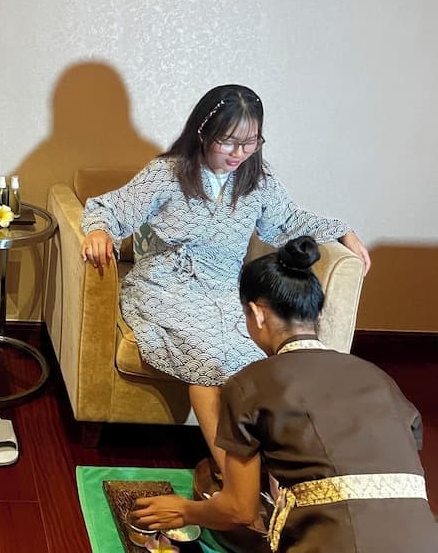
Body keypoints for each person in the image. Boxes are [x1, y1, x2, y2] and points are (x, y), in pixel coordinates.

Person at [80, 84, 371, 473]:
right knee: (208, 359)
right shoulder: (166, 174)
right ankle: (236, 482)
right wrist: (100, 231)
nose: (239, 153)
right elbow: (111, 209)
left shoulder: (258, 179)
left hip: (225, 290)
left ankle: (273, 474)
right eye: (228, 142)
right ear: (203, 131)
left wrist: (341, 230)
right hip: (165, 286)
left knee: (252, 362)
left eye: (250, 142)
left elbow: (288, 220)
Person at [132, 236, 435, 551]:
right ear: (316, 314)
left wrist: (184, 511)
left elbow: (239, 510)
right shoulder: (379, 378)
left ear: (256, 314)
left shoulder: (249, 383)